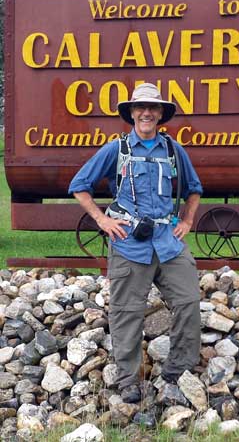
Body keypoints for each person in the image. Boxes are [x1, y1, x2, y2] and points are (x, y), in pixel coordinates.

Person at [68, 83, 203, 403]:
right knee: (127, 312)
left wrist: (187, 221)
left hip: (168, 242)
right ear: (131, 113)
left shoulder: (173, 150)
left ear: (160, 114)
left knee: (188, 302)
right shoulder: (116, 150)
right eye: (141, 108)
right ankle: (128, 379)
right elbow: (79, 186)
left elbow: (194, 189)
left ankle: (176, 369)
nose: (146, 113)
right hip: (129, 242)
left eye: (153, 108)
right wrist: (102, 220)